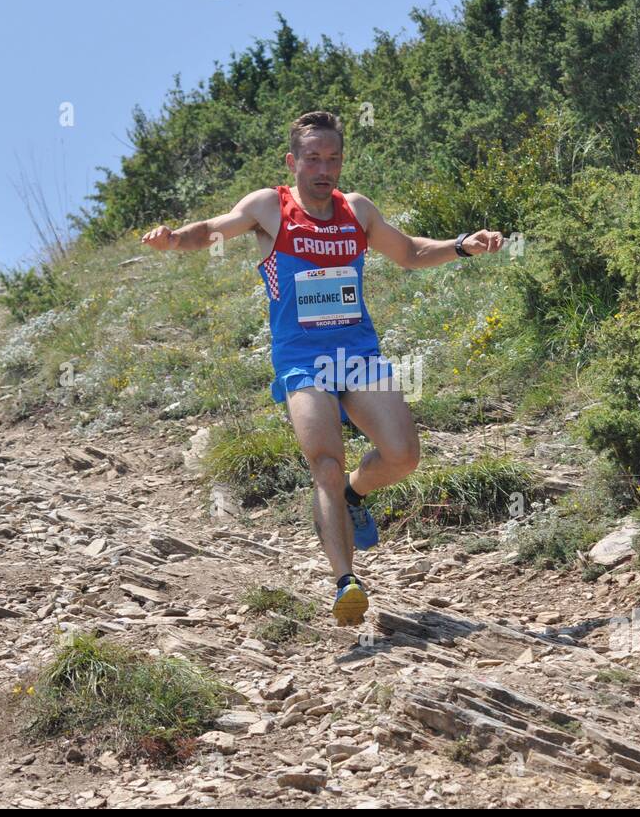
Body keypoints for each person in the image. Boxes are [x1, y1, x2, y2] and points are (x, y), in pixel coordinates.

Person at [141, 111, 504, 624]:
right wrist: (175, 238)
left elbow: (411, 252)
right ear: (293, 162)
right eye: (312, 158)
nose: (323, 168)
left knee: (402, 456)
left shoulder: (357, 210)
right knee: (325, 466)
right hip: (302, 361)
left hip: (357, 354)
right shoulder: (270, 207)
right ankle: (345, 581)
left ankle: (357, 494)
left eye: (332, 158)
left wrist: (462, 245)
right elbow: (213, 229)